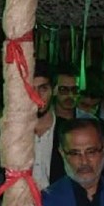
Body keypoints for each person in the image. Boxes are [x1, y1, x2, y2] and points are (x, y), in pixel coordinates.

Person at [32, 60, 67, 191]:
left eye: (43, 89)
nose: (37, 96)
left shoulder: (67, 130)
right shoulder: (12, 133)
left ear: (54, 90)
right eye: (31, 90)